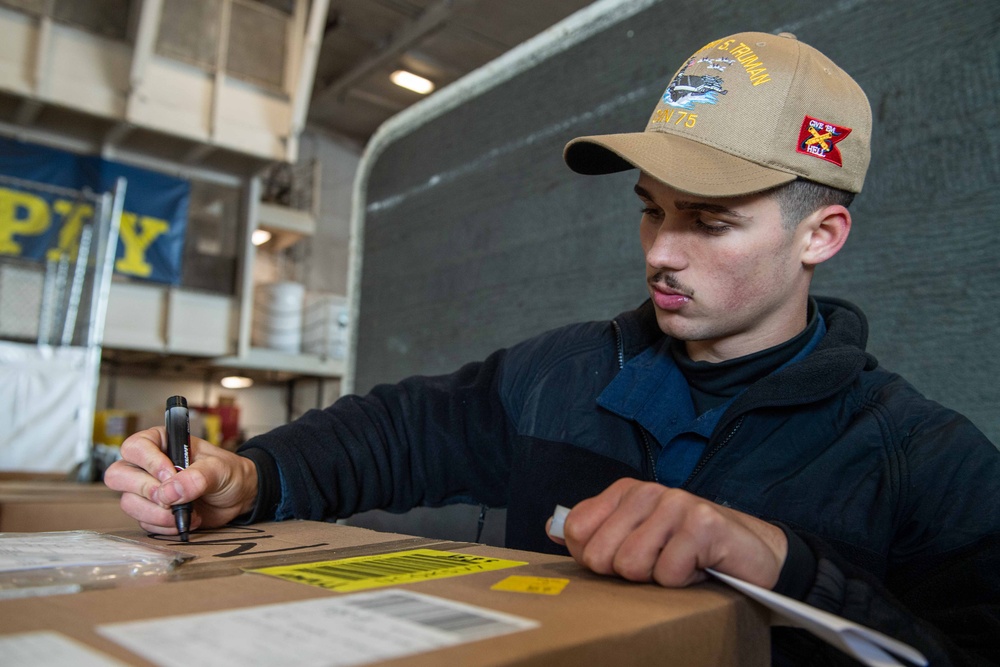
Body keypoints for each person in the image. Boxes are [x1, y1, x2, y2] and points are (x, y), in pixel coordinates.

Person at [105, 31, 1000, 665]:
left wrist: (782, 563)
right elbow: (399, 431)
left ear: (822, 235)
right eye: (650, 206)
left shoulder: (929, 461)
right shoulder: (562, 375)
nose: (660, 249)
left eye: (710, 221)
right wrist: (248, 476)